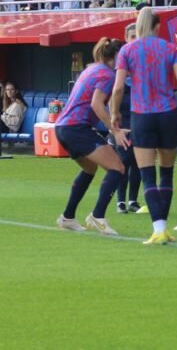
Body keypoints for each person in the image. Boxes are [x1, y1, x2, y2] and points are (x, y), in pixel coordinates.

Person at [109, 8, 177, 245]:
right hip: (167, 113)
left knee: (147, 174)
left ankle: (158, 229)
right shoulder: (170, 48)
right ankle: (163, 229)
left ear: (138, 25)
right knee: (166, 173)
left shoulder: (127, 50)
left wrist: (114, 113)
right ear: (158, 27)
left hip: (142, 115)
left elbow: (118, 87)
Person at [51, 36, 129, 234]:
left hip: (63, 127)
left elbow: (96, 102)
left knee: (89, 168)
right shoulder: (108, 75)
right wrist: (115, 131)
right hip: (76, 128)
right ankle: (97, 216)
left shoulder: (93, 69)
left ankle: (67, 217)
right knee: (118, 167)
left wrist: (113, 119)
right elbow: (96, 104)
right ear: (117, 57)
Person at [114, 23, 141, 214]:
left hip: (139, 123)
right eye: (132, 37)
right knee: (123, 162)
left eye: (138, 36)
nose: (135, 40)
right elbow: (112, 98)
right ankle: (120, 201)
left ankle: (133, 200)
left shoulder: (144, 67)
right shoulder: (120, 70)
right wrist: (113, 125)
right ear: (126, 38)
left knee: (139, 163)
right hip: (123, 125)